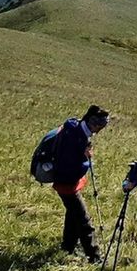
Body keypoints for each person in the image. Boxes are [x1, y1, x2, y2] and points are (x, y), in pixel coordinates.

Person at [52, 105, 110, 262]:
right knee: (84, 221)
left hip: (64, 181)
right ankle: (94, 256)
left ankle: (68, 247)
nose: (99, 131)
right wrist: (87, 160)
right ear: (93, 123)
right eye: (99, 126)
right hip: (67, 183)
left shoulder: (74, 129)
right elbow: (74, 167)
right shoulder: (76, 137)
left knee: (73, 214)